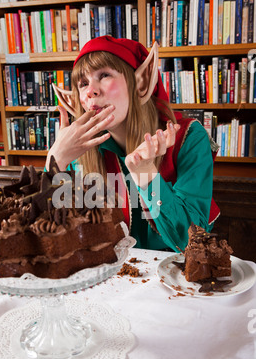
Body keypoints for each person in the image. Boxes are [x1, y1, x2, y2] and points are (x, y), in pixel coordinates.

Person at [46, 35, 219, 252]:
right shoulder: (77, 150)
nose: (91, 91)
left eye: (104, 75)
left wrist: (147, 176)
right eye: (83, 83)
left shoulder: (189, 138)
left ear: (141, 83)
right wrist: (56, 163)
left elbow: (190, 243)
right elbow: (55, 243)